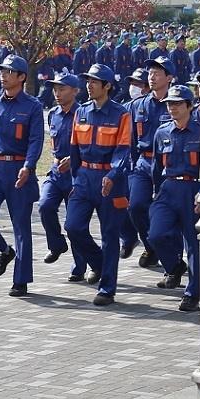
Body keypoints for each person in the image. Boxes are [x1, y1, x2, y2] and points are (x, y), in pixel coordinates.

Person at [64, 63, 133, 307]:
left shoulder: (121, 114)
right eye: (88, 81)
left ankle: (107, 288)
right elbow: (74, 150)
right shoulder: (80, 112)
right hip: (84, 178)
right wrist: (75, 180)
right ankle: (100, 263)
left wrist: (112, 175)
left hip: (111, 181)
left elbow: (123, 150)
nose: (89, 85)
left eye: (94, 81)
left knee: (110, 235)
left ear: (107, 86)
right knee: (73, 227)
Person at [0, 55, 44, 296]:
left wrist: (29, 166)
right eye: (2, 71)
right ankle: (5, 251)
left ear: (22, 77)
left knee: (21, 227)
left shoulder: (33, 106)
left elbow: (36, 141)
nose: (3, 75)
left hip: (19, 170)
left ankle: (21, 280)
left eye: (9, 71)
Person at [147, 84, 200, 312]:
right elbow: (156, 165)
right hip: (168, 188)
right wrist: (157, 191)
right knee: (155, 234)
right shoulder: (162, 132)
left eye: (178, 103)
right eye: (170, 103)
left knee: (194, 244)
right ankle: (174, 266)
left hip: (193, 189)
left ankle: (193, 292)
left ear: (190, 106)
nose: (173, 108)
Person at [122, 58, 172, 268]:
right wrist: (132, 165)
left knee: (167, 211)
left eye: (157, 73)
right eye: (150, 73)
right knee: (136, 205)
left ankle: (170, 254)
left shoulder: (177, 103)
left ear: (169, 78)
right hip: (143, 162)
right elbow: (131, 140)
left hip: (168, 165)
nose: (152, 77)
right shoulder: (137, 106)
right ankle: (150, 245)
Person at [39, 72, 84, 271]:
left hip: (78, 173)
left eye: (62, 89)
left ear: (75, 91)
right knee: (45, 206)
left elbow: (90, 145)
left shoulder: (84, 114)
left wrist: (74, 160)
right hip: (57, 171)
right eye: (55, 89)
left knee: (74, 223)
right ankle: (56, 245)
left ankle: (80, 266)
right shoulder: (52, 114)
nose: (57, 93)